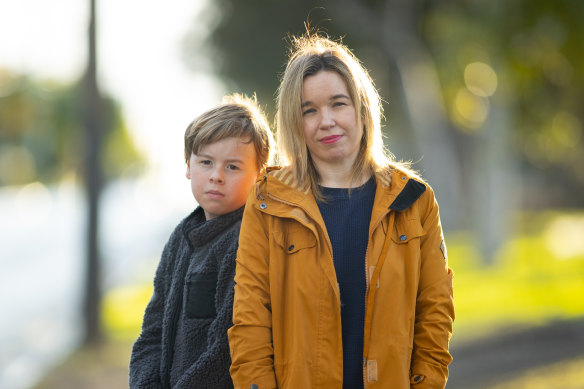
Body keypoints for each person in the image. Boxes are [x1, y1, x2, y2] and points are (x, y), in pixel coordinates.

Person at [228, 34, 454, 389]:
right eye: (310, 110)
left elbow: (435, 316)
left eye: (338, 104)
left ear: (362, 109)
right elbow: (250, 321)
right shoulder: (268, 202)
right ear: (294, 122)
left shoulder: (414, 199)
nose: (326, 121)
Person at [129, 93, 274, 389]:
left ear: (259, 175)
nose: (216, 176)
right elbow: (152, 332)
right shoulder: (180, 238)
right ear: (188, 166)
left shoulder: (248, 241)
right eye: (206, 162)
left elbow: (226, 351)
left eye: (232, 166)